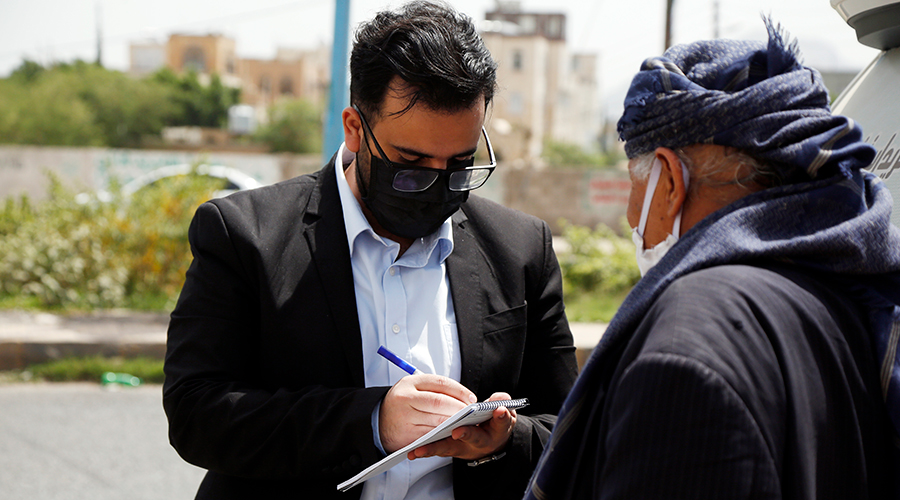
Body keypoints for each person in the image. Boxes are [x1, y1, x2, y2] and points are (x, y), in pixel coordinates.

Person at [163, 2, 578, 499]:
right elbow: (196, 413)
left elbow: (570, 433)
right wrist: (373, 421)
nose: (436, 187)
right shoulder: (244, 236)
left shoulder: (520, 249)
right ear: (355, 129)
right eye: (411, 164)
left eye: (460, 165)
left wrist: (503, 441)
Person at [524, 20, 900, 500]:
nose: (631, 215)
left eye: (635, 185)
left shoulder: (688, 344)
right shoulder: (857, 292)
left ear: (669, 183)